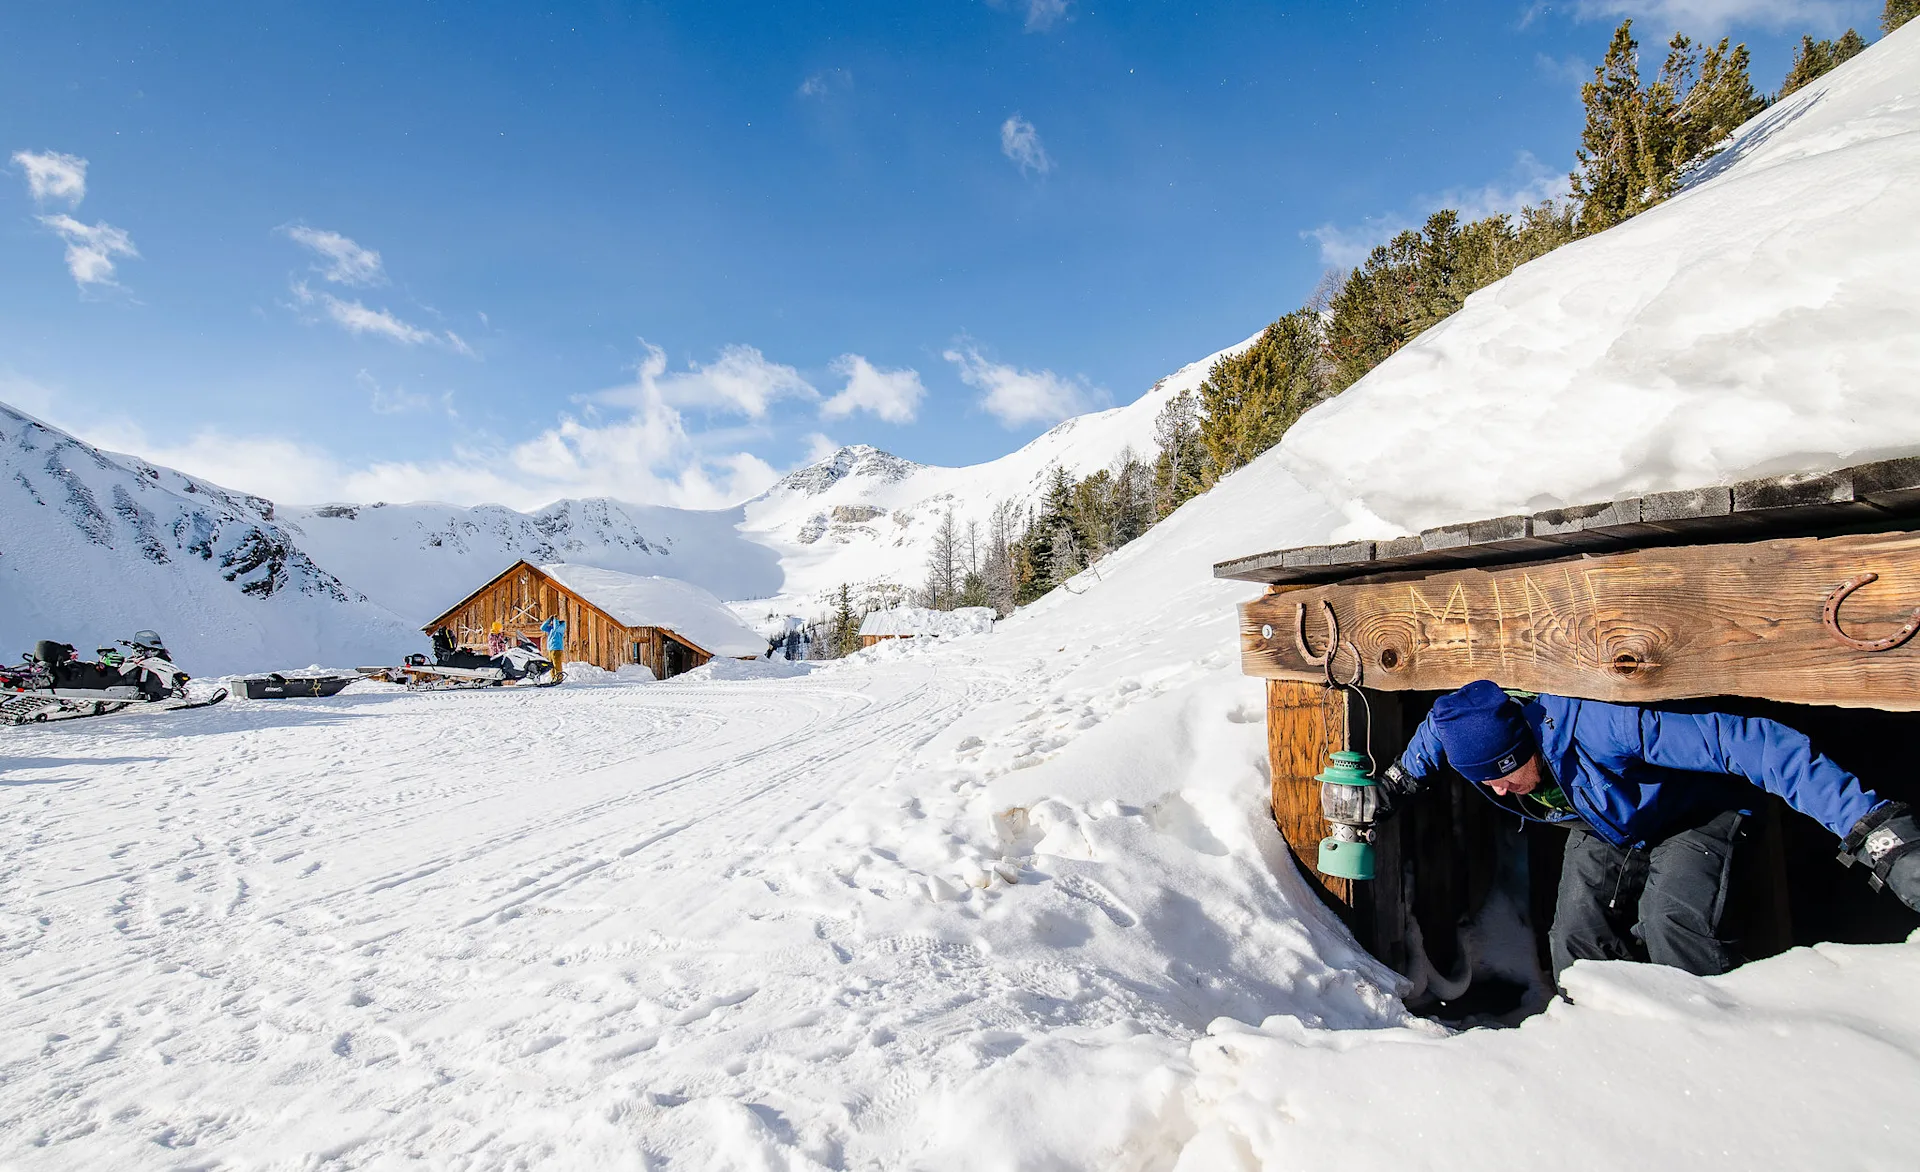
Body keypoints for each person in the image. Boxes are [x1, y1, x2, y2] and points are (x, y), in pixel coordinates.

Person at [1378, 680, 1920, 983]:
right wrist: (1397, 784)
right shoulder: (1470, 733)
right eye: (1485, 783)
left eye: (1504, 775)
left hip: (1694, 812)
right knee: (1574, 938)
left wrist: (1872, 828)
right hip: (1608, 820)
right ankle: (1599, 1054)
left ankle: (1707, 1050)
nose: (1499, 793)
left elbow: (1753, 744)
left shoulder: (1607, 725)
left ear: (1525, 744)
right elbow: (1435, 734)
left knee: (1672, 925)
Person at [539, 613, 567, 681]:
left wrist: (555, 620)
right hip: (550, 648)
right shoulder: (551, 628)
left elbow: (556, 628)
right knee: (551, 665)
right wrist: (549, 620)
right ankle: (553, 677)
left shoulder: (561, 627)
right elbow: (542, 628)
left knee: (556, 664)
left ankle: (559, 677)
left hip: (557, 648)